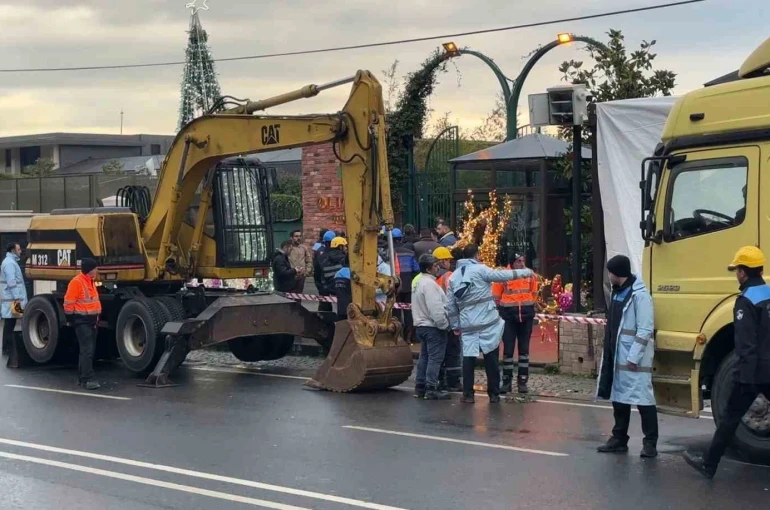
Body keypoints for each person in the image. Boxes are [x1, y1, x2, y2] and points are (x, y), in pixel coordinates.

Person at [684, 246, 770, 479]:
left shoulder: (745, 301)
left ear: (743, 272)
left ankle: (709, 464)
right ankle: (709, 463)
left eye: (737, 269)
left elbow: (745, 343)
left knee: (730, 418)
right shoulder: (769, 293)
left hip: (753, 374)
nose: (736, 274)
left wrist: (743, 376)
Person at [446, 244, 532, 403]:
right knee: (491, 357)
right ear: (477, 255)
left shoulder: (454, 276)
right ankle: (494, 394)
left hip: (468, 324)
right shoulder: (481, 269)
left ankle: (468, 395)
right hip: (487, 322)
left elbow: (450, 306)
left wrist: (455, 325)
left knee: (468, 358)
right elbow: (503, 276)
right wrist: (526, 272)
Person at [596, 254, 658, 458]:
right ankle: (619, 438)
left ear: (617, 273)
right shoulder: (618, 292)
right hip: (618, 356)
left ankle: (650, 443)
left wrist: (633, 356)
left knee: (644, 400)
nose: (609, 276)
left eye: (610, 272)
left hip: (634, 361)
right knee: (619, 399)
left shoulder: (639, 295)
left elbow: (645, 328)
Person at [492, 253, 539, 394]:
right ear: (512, 263)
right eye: (519, 261)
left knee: (524, 350)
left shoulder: (530, 275)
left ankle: (522, 381)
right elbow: (496, 297)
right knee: (508, 350)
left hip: (526, 316)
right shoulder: (503, 276)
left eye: (523, 261)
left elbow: (534, 293)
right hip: (508, 317)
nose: (522, 263)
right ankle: (506, 382)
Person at [413, 254, 451, 400]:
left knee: (425, 356)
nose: (438, 268)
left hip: (421, 325)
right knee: (435, 358)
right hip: (433, 327)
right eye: (436, 265)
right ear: (429, 268)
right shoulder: (430, 285)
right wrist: (444, 325)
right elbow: (436, 309)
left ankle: (420, 386)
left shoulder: (419, 282)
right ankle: (431, 387)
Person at [64, 258, 102, 390]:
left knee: (87, 350)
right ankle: (88, 379)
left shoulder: (90, 281)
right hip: (82, 321)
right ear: (90, 270)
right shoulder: (77, 282)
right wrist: (71, 319)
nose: (97, 270)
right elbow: (69, 303)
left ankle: (82, 378)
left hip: (91, 321)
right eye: (95, 268)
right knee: (87, 350)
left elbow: (93, 302)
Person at [433, 247, 462, 392]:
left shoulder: (430, 277)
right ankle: (453, 380)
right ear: (442, 261)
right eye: (448, 260)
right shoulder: (449, 276)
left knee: (440, 351)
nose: (449, 263)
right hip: (450, 319)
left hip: (436, 319)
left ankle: (440, 379)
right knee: (453, 351)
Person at [1, 242, 27, 354]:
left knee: (11, 322)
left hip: (12, 300)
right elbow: (12, 282)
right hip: (13, 301)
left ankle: (7, 347)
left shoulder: (11, 262)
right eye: (19, 249)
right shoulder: (10, 263)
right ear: (13, 251)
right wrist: (17, 298)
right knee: (10, 323)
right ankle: (7, 347)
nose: (20, 251)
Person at [394, 228, 419, 341]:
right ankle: (409, 337)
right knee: (408, 311)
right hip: (408, 285)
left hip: (394, 286)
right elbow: (416, 269)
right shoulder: (409, 253)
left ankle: (398, 336)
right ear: (401, 238)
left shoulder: (388, 252)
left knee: (396, 311)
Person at [313, 230, 337, 295]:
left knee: (324, 303)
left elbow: (316, 270)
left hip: (323, 284)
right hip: (334, 285)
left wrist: (318, 284)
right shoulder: (338, 253)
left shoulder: (320, 251)